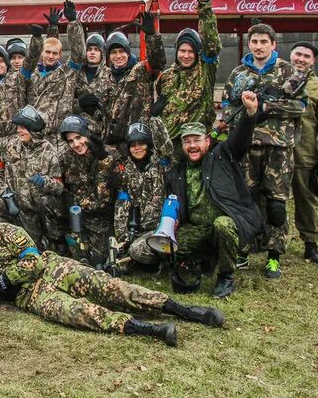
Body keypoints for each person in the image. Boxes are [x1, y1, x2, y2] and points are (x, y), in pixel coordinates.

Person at [0, 198, 224, 347]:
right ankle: (152, 330)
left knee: (108, 287)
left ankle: (184, 310)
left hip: (54, 269)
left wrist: (3, 280)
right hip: (29, 295)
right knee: (80, 313)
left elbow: (34, 262)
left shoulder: (8, 232)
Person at [222, 22, 306, 278]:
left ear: (273, 45)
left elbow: (300, 106)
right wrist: (242, 117)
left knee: (276, 204)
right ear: (249, 44)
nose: (258, 47)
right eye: (255, 42)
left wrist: (267, 108)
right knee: (245, 200)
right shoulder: (238, 73)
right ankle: (244, 251)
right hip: (246, 147)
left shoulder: (288, 72)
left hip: (278, 148)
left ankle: (274, 256)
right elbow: (227, 106)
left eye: (263, 42)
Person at [167, 91, 265, 298]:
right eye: (187, 142)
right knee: (175, 243)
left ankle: (226, 276)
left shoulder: (223, 155)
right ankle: (201, 262)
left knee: (223, 226)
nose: (192, 146)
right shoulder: (178, 171)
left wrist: (250, 112)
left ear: (207, 142)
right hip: (198, 227)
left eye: (197, 140)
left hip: (227, 223)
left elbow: (241, 138)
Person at [155, 0, 222, 147]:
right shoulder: (166, 76)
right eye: (182, 50)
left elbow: (212, 46)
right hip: (171, 146)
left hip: (196, 144)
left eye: (191, 51)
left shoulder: (204, 70)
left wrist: (205, 10)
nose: (186, 55)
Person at [0, 105, 62, 249]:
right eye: (18, 127)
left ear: (32, 129)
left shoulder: (49, 152)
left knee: (35, 247)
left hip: (37, 210)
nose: (18, 131)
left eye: (22, 127)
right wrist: (5, 193)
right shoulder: (11, 145)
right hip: (13, 203)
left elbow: (59, 186)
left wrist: (44, 182)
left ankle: (54, 243)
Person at [288, 41, 318, 264]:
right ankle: (266, 242)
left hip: (304, 154)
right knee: (268, 199)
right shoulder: (279, 79)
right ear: (290, 56)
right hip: (275, 152)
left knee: (306, 200)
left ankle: (311, 244)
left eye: (306, 56)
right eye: (298, 54)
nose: (301, 59)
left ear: (312, 61)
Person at [111, 119, 173, 270]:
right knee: (121, 261)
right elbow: (122, 206)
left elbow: (167, 147)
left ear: (149, 145)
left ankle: (165, 261)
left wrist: (156, 118)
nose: (137, 148)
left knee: (136, 251)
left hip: (163, 228)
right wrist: (122, 239)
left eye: (141, 143)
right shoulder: (126, 170)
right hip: (139, 229)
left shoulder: (161, 164)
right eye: (133, 145)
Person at [58, 115, 117, 266]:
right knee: (80, 259)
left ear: (87, 135)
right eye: (70, 141)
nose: (76, 144)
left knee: (98, 260)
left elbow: (114, 186)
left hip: (101, 216)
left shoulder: (108, 153)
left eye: (78, 137)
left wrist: (103, 159)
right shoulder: (65, 159)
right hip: (78, 217)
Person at [101, 12, 165, 147]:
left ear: (128, 52)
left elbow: (157, 62)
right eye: (113, 52)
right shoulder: (106, 77)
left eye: (121, 51)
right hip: (115, 143)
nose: (118, 56)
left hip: (140, 141)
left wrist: (152, 36)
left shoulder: (141, 70)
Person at [26, 2, 85, 142]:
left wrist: (72, 23)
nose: (50, 56)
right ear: (41, 53)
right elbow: (50, 43)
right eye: (47, 52)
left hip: (61, 136)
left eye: (54, 53)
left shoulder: (66, 73)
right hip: (36, 136)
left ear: (60, 55)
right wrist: (53, 27)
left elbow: (78, 54)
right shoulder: (32, 75)